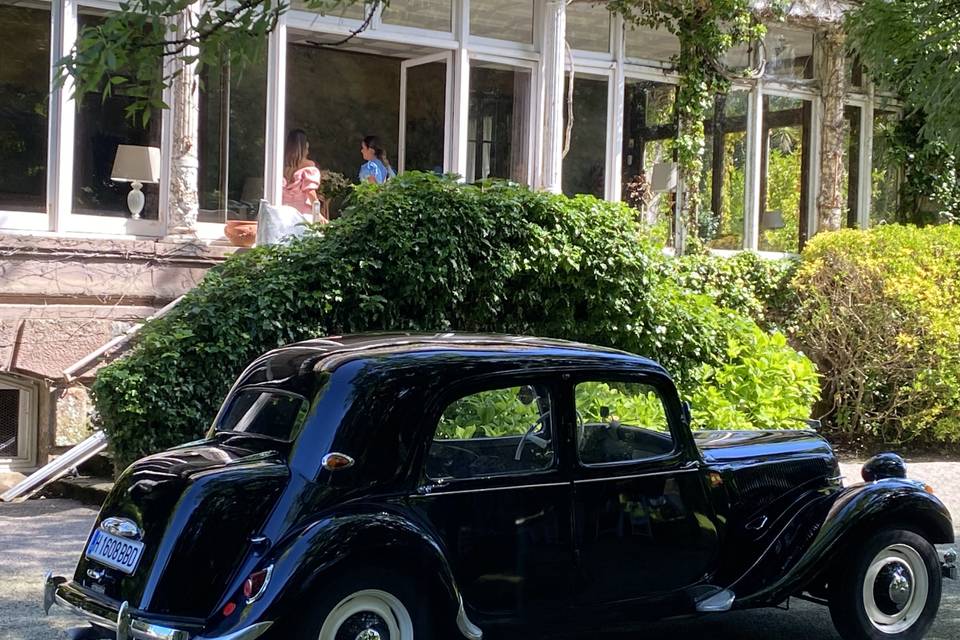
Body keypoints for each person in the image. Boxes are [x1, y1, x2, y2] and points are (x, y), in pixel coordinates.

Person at [282, 129, 327, 221]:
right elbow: (310, 192)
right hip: (302, 216)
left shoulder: (281, 168)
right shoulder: (308, 166)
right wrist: (319, 215)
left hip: (283, 214)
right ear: (305, 146)